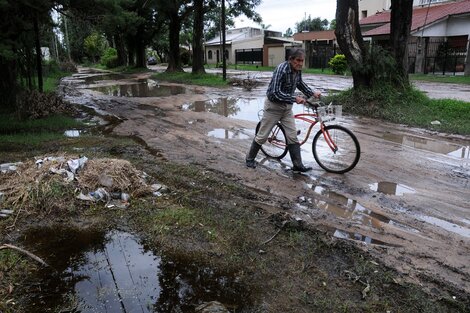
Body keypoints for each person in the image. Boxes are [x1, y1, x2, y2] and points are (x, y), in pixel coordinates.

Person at [245, 48, 321, 172]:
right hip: (273, 108)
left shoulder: (297, 70)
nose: (300, 63)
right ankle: (249, 159)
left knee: (292, 137)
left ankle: (297, 165)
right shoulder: (282, 69)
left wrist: (312, 93)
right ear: (290, 59)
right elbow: (274, 93)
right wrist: (294, 98)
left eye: (302, 61)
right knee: (262, 136)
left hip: (287, 109)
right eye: (298, 60)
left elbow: (300, 83)